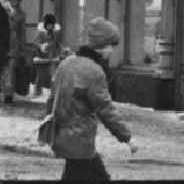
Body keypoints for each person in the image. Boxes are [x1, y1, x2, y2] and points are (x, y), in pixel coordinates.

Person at [46, 17, 138, 182]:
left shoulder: (66, 63)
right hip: (81, 141)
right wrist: (127, 137)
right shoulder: (94, 71)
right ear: (101, 46)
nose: (112, 51)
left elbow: (52, 98)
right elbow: (106, 109)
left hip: (63, 136)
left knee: (73, 176)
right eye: (111, 46)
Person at [2, 0, 27, 103]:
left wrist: (23, 48)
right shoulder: (3, 9)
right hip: (1, 41)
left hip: (13, 44)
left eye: (17, 0)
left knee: (10, 69)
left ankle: (8, 94)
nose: (15, 2)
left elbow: (22, 32)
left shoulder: (22, 13)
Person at [32, 12, 63, 98]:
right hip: (42, 56)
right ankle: (37, 92)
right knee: (40, 75)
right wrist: (41, 46)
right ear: (45, 24)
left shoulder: (56, 33)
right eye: (48, 25)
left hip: (52, 56)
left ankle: (53, 94)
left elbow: (58, 43)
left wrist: (61, 51)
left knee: (53, 74)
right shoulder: (41, 32)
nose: (50, 27)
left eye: (51, 25)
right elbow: (35, 42)